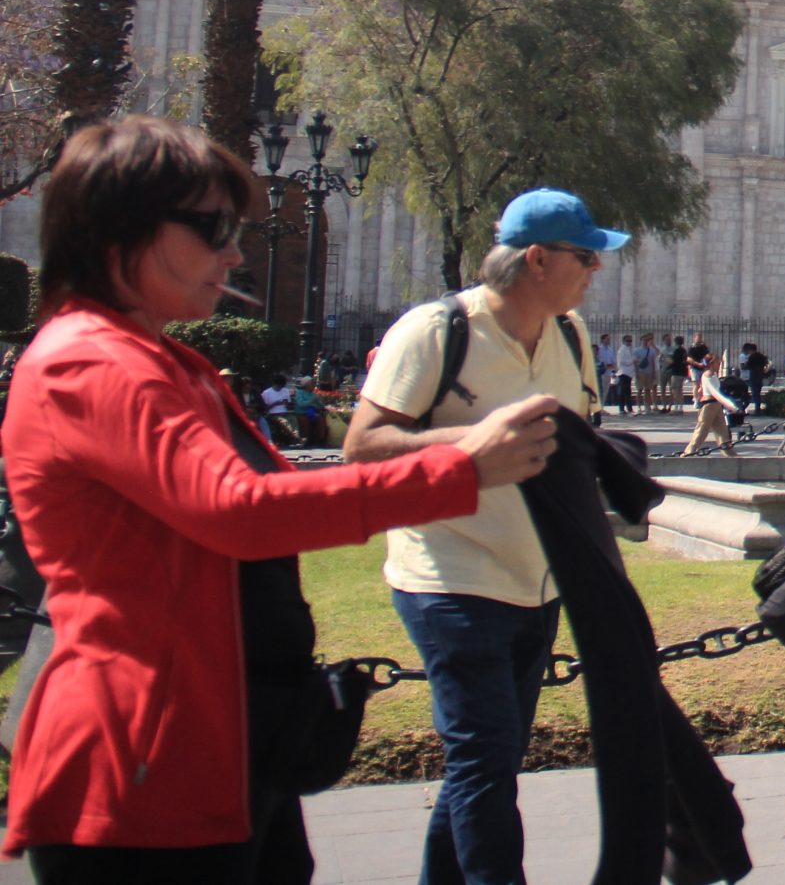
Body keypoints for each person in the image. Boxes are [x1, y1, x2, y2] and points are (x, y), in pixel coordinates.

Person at [0, 115, 558, 883]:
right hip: (142, 770)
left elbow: (269, 498)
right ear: (121, 230)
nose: (235, 253)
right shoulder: (89, 365)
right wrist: (458, 469)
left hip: (226, 741)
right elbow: (241, 510)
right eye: (214, 229)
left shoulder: (169, 363)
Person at [343, 187, 613, 885]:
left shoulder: (571, 335)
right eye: (586, 255)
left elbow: (572, 439)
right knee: (485, 762)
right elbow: (362, 445)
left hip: (536, 582)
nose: (597, 268)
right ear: (537, 260)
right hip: (449, 578)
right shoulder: (436, 331)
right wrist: (472, 442)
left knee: (487, 764)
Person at [680, 363, 740, 457]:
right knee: (702, 429)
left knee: (722, 432)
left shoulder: (713, 374)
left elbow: (701, 391)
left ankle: (730, 454)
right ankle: (689, 452)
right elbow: (715, 393)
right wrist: (732, 406)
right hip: (709, 405)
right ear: (711, 364)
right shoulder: (708, 375)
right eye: (717, 362)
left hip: (716, 404)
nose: (719, 364)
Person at [593, 331, 619, 420]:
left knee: (605, 391)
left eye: (609, 339)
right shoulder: (599, 350)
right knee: (600, 391)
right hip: (601, 373)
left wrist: (614, 370)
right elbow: (599, 360)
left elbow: (613, 361)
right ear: (602, 340)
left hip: (608, 372)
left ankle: (602, 407)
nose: (609, 341)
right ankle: (598, 408)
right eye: (607, 339)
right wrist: (605, 365)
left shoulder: (610, 349)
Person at [740, 341, 769, 413]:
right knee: (758, 394)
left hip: (754, 377)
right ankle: (758, 409)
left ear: (750, 350)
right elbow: (766, 363)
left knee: (755, 394)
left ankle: (757, 410)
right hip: (760, 377)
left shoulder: (752, 357)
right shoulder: (761, 356)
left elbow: (746, 366)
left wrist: (746, 366)